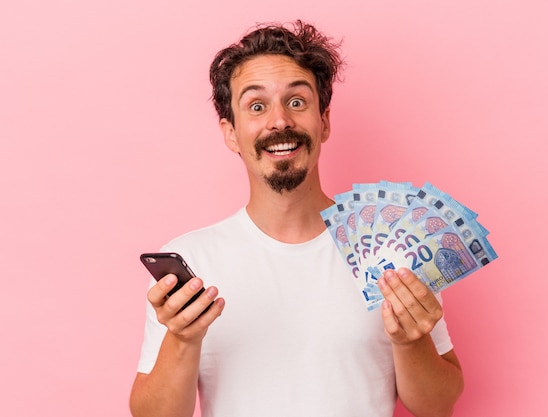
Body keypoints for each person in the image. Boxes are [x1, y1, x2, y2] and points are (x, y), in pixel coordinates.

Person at [129, 20, 464, 417]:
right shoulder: (191, 262)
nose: (280, 121)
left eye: (297, 102)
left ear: (323, 122)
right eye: (256, 106)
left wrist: (411, 342)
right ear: (231, 133)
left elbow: (438, 406)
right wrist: (182, 340)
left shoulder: (390, 249)